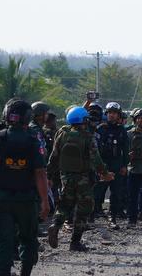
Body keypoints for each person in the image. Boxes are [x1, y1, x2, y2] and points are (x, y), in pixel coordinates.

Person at [0, 99, 50, 276]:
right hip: (27, 200)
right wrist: (45, 202)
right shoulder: (33, 141)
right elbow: (40, 173)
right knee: (28, 240)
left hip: (1, 199)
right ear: (28, 117)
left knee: (2, 242)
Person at [48, 106, 111, 251]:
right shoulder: (88, 136)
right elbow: (96, 159)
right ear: (83, 120)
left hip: (65, 177)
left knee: (65, 204)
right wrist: (105, 173)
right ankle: (75, 242)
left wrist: (49, 174)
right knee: (84, 208)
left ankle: (55, 225)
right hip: (83, 178)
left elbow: (54, 156)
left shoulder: (62, 133)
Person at [96, 102, 131, 228]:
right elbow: (95, 149)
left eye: (114, 113)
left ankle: (112, 217)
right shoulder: (100, 129)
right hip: (103, 164)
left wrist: (124, 165)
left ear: (118, 115)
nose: (112, 115)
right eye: (110, 113)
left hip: (117, 164)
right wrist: (98, 167)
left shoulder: (122, 130)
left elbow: (126, 150)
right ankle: (92, 216)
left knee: (116, 193)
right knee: (98, 192)